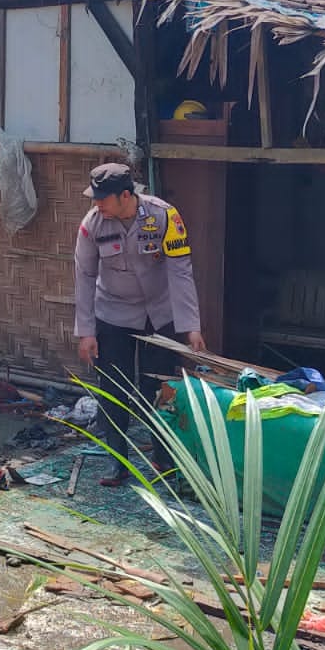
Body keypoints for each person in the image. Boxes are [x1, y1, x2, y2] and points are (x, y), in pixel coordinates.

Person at [73, 162, 205, 486]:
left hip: (158, 315)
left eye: (103, 198)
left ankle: (162, 457)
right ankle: (117, 464)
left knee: (158, 389)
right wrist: (86, 332)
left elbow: (180, 270)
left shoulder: (164, 217)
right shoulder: (91, 226)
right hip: (112, 315)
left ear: (126, 195)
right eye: (94, 198)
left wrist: (191, 326)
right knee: (113, 390)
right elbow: (84, 276)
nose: (97, 204)